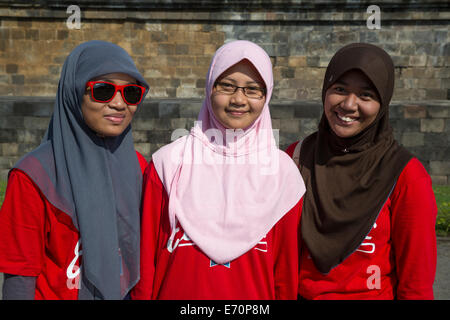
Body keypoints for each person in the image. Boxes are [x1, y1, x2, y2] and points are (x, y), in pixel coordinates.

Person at [131, 40, 305, 300]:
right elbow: (145, 266)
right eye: (226, 86)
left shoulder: (282, 174)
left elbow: (285, 275)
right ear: (209, 87)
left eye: (252, 90)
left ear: (266, 96)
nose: (238, 99)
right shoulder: (168, 164)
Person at [286, 43, 437, 300]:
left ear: (382, 104)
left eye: (366, 95)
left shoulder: (405, 174)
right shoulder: (295, 158)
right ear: (325, 90)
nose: (348, 104)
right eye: (340, 89)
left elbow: (416, 284)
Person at [0, 40, 149, 300]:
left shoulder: (139, 167)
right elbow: (19, 275)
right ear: (74, 92)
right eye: (103, 91)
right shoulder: (33, 176)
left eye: (131, 93)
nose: (119, 103)